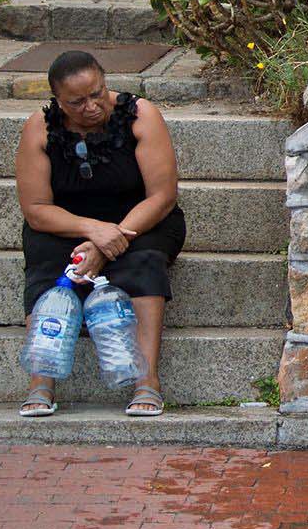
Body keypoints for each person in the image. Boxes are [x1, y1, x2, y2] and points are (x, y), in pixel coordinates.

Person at [15, 51, 186, 418]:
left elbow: (162, 196)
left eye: (97, 93)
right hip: (69, 224)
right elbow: (36, 209)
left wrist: (107, 244)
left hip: (141, 221)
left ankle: (146, 380)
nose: (91, 106)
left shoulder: (141, 116)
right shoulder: (39, 129)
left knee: (143, 263)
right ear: (57, 100)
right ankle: (41, 379)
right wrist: (92, 231)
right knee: (45, 259)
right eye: (76, 102)